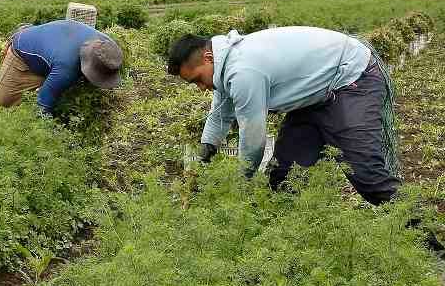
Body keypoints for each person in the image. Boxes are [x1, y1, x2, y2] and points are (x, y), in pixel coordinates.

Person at [167, 27, 400, 205]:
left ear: (208, 58)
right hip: (313, 95)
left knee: (369, 177)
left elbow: (253, 139)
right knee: (284, 177)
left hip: (351, 78)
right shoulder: (224, 64)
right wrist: (205, 151)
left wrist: (241, 182)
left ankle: (432, 244)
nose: (200, 87)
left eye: (198, 79)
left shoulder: (243, 71)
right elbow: (219, 116)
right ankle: (288, 241)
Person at [0, 20, 124, 117]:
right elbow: (43, 105)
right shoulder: (67, 68)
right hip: (22, 54)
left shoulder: (109, 47)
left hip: (53, 50)